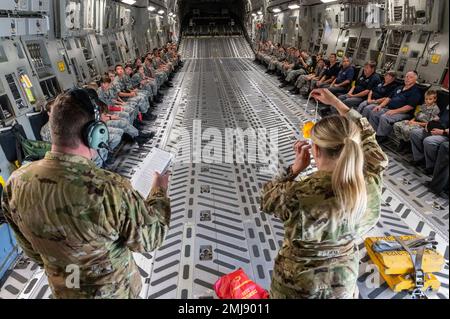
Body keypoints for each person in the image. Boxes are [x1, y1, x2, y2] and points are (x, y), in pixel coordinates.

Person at [1, 89, 171, 299]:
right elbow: (150, 239)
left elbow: (32, 250)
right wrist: (159, 191)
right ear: (94, 133)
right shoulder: (109, 188)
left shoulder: (15, 184)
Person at [260, 88, 388, 298]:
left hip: (297, 284)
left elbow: (267, 198)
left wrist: (294, 170)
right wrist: (338, 103)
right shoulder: (371, 172)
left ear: (315, 151)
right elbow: (366, 134)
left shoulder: (299, 193)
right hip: (343, 279)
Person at [367, 71, 423, 143]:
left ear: (415, 80)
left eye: (410, 77)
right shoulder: (399, 88)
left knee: (384, 117)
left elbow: (409, 107)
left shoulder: (415, 92)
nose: (407, 79)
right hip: (389, 108)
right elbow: (388, 98)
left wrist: (394, 111)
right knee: (374, 112)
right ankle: (372, 132)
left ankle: (381, 136)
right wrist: (380, 106)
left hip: (403, 113)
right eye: (406, 77)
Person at [410, 105, 449, 175]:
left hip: (446, 134)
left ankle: (431, 167)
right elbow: (438, 116)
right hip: (438, 127)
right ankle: (419, 158)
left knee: (429, 141)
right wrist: (430, 123)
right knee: (415, 133)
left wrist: (442, 132)